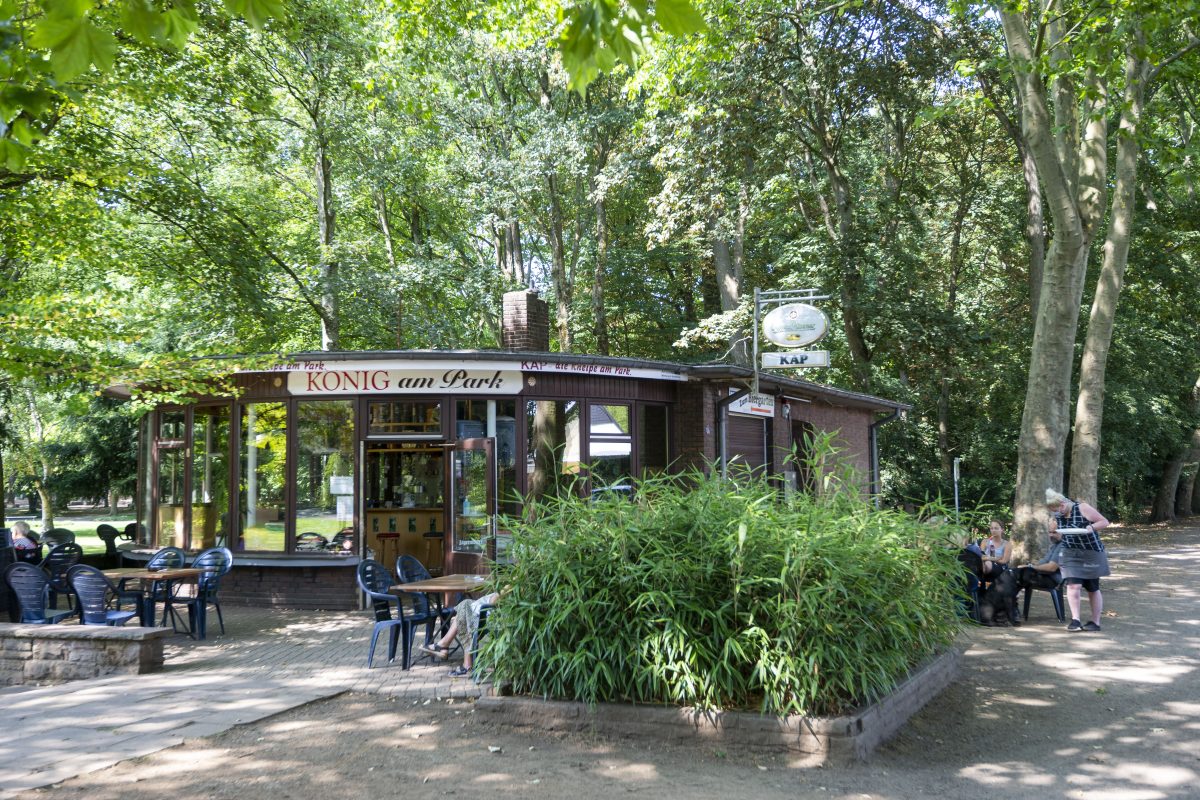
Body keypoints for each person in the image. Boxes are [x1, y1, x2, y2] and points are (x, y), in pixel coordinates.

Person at [1046, 488, 1110, 632]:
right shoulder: (1059, 516)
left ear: (1062, 504)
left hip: (1091, 552)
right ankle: (1075, 620)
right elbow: (1064, 535)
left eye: (1056, 509)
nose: (1055, 513)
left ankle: (1095, 622)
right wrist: (1055, 535)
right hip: (1070, 552)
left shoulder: (1082, 508)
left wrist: (1090, 527)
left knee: (1092, 588)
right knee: (1072, 585)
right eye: (1053, 511)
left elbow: (1104, 522)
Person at [418, 591, 500, 677]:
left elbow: (493, 602)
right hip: (485, 613)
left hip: (490, 617)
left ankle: (446, 647)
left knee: (465, 608)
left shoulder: (510, 584)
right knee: (464, 605)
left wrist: (496, 593)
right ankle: (445, 646)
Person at [1015, 519, 1065, 592]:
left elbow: (1051, 568)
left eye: (1054, 532)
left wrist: (1030, 567)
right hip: (1046, 576)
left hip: (1055, 580)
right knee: (1014, 573)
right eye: (1049, 532)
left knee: (1019, 576)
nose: (1051, 535)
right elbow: (1043, 562)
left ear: (1063, 532)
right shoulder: (1055, 545)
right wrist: (1027, 567)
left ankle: (1010, 601)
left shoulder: (1063, 546)